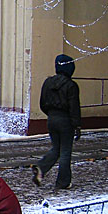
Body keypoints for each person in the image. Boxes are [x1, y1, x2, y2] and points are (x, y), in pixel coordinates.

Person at [31, 53, 82, 190]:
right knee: (65, 151)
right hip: (65, 121)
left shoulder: (48, 82)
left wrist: (51, 114)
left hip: (51, 119)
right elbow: (74, 107)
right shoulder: (71, 86)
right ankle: (63, 182)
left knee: (56, 148)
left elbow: (42, 103)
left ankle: (41, 168)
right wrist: (77, 125)